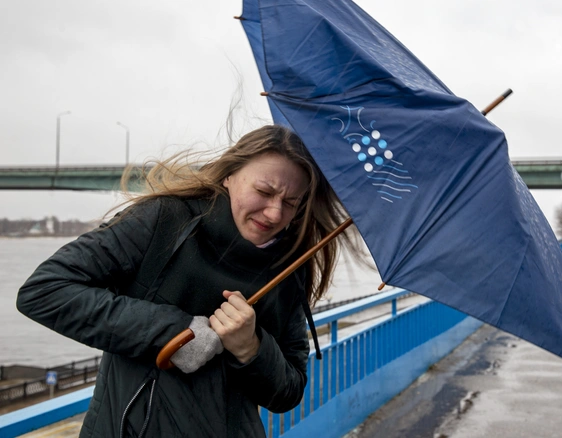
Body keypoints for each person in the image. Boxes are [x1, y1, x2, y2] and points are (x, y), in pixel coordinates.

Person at [16, 125, 362, 437]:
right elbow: (46, 290)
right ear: (229, 175)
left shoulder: (291, 266)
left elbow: (288, 392)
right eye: (264, 191)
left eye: (290, 203)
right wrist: (177, 331)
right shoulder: (166, 221)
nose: (274, 213)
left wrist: (251, 348)